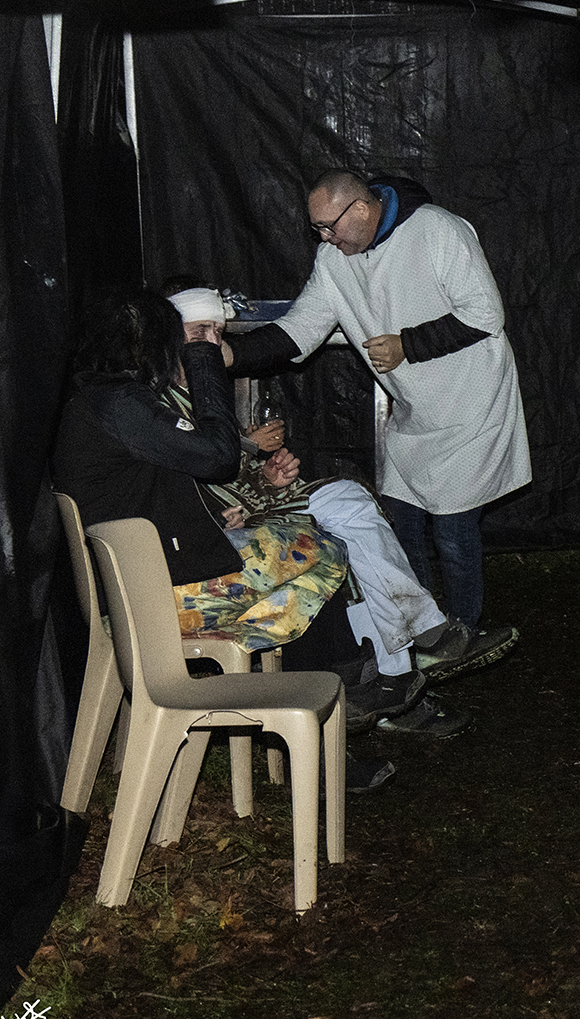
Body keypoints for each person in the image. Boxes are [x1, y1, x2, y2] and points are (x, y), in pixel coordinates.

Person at [51, 288, 397, 790]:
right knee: (318, 549)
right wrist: (205, 362)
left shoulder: (99, 403)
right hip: (153, 600)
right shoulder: (122, 404)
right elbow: (217, 457)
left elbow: (153, 489)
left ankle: (326, 696)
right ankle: (337, 687)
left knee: (301, 568)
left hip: (142, 588)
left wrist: (226, 513)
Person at [223, 169, 527, 675]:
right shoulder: (334, 261)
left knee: (453, 528)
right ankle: (423, 629)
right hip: (414, 411)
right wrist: (230, 354)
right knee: (401, 518)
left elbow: (484, 313)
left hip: (472, 401)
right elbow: (300, 329)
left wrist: (408, 344)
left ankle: (463, 631)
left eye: (329, 226)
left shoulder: (437, 230)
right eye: (318, 229)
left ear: (361, 209)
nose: (325, 238)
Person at [166, 286, 477, 739]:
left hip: (243, 516)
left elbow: (221, 476)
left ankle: (395, 674)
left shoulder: (199, 393)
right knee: (346, 524)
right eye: (200, 332)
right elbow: (186, 487)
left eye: (218, 331)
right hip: (207, 548)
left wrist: (265, 476)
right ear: (170, 337)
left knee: (353, 523)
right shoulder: (159, 406)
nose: (212, 343)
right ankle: (403, 662)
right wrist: (248, 478)